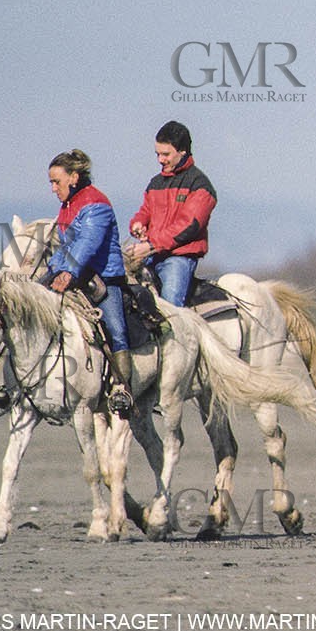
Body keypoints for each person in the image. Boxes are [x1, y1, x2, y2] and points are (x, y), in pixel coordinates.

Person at [44, 149, 133, 414]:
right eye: (50, 182)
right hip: (76, 277)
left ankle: (122, 389)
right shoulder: (67, 207)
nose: (52, 188)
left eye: (56, 182)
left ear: (73, 177)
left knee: (116, 329)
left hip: (105, 279)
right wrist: (51, 271)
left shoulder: (96, 203)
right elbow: (65, 247)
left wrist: (67, 272)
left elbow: (87, 244)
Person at [125, 121, 216, 307]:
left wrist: (151, 245)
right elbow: (145, 211)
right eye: (157, 154)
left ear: (182, 151)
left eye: (166, 154)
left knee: (170, 305)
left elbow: (188, 226)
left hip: (178, 258)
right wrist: (138, 224)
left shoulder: (200, 185)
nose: (160, 159)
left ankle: (174, 336)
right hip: (151, 254)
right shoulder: (155, 183)